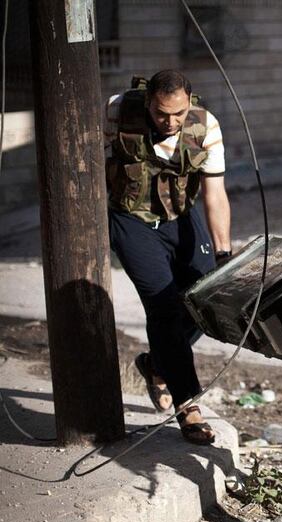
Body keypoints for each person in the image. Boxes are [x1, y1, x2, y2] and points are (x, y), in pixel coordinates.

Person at [104, 70, 231, 445]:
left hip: (181, 216)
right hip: (133, 220)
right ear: (148, 103)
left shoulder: (206, 125)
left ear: (189, 103)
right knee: (164, 308)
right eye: (162, 114)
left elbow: (215, 194)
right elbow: (91, 163)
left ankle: (157, 364)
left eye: (178, 114)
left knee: (204, 297)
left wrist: (223, 255)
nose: (170, 122)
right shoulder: (116, 111)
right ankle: (188, 405)